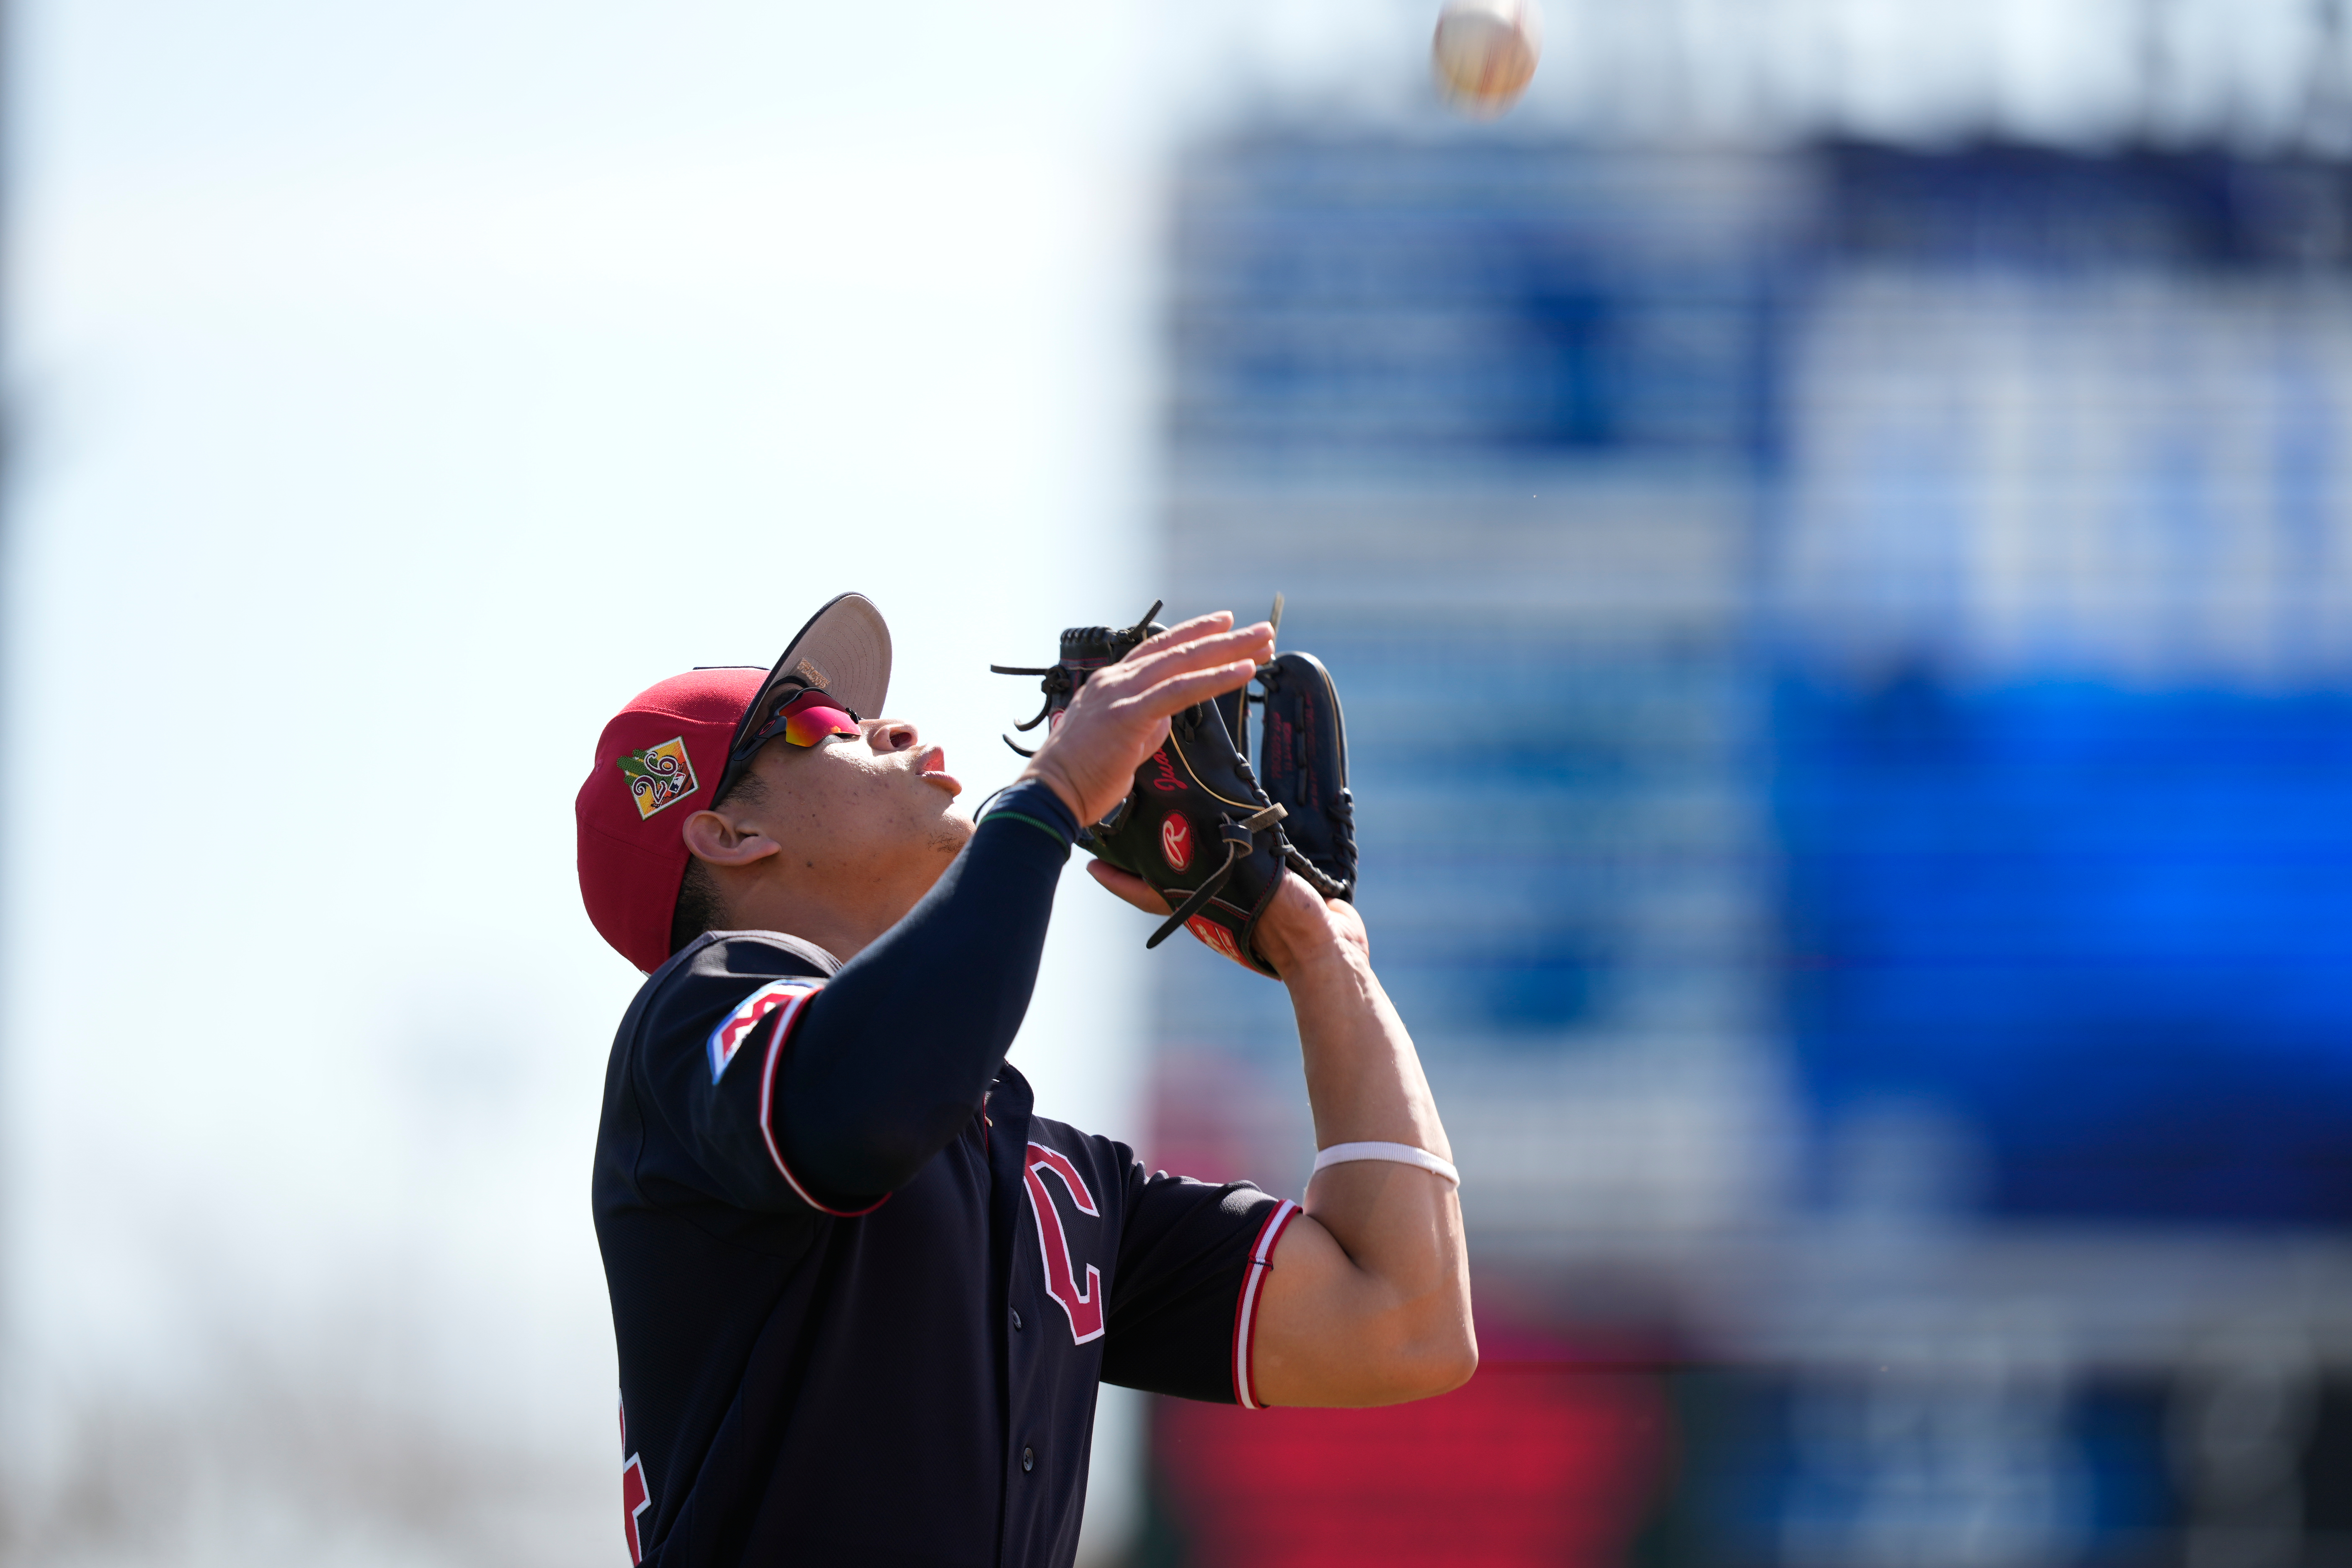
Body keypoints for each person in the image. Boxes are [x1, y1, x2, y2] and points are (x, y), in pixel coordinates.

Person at [574, 592, 1473, 1568]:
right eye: (818, 723)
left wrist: (1322, 955)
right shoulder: (696, 1022)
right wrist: (1048, 797)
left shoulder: (1047, 1173)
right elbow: (862, 1106)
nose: (896, 725)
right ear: (730, 836)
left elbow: (1403, 1321)